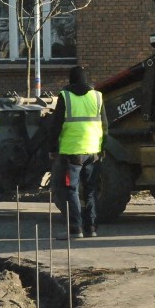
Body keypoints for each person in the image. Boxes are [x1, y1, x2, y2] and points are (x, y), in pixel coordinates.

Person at [49, 66, 108, 240]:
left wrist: (52, 149)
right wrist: (102, 148)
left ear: (71, 80)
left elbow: (55, 126)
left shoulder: (65, 97)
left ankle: (75, 229)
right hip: (93, 152)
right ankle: (91, 227)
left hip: (72, 153)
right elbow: (105, 127)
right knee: (90, 190)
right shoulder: (97, 96)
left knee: (71, 189)